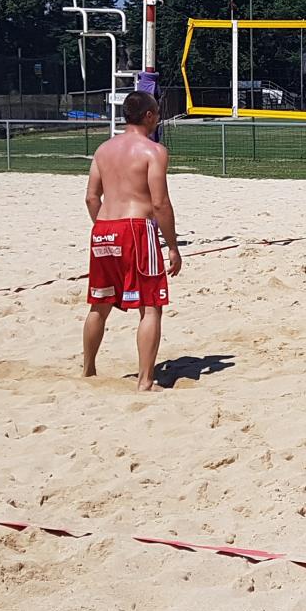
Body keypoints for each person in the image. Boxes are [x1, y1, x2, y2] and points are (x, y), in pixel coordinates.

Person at [83, 90, 182, 391]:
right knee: (151, 306)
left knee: (99, 305)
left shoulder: (103, 150)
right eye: (158, 113)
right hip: (136, 228)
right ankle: (145, 380)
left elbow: (90, 198)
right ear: (149, 116)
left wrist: (104, 228)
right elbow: (160, 203)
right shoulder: (154, 151)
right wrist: (173, 246)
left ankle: (87, 370)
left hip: (103, 228)